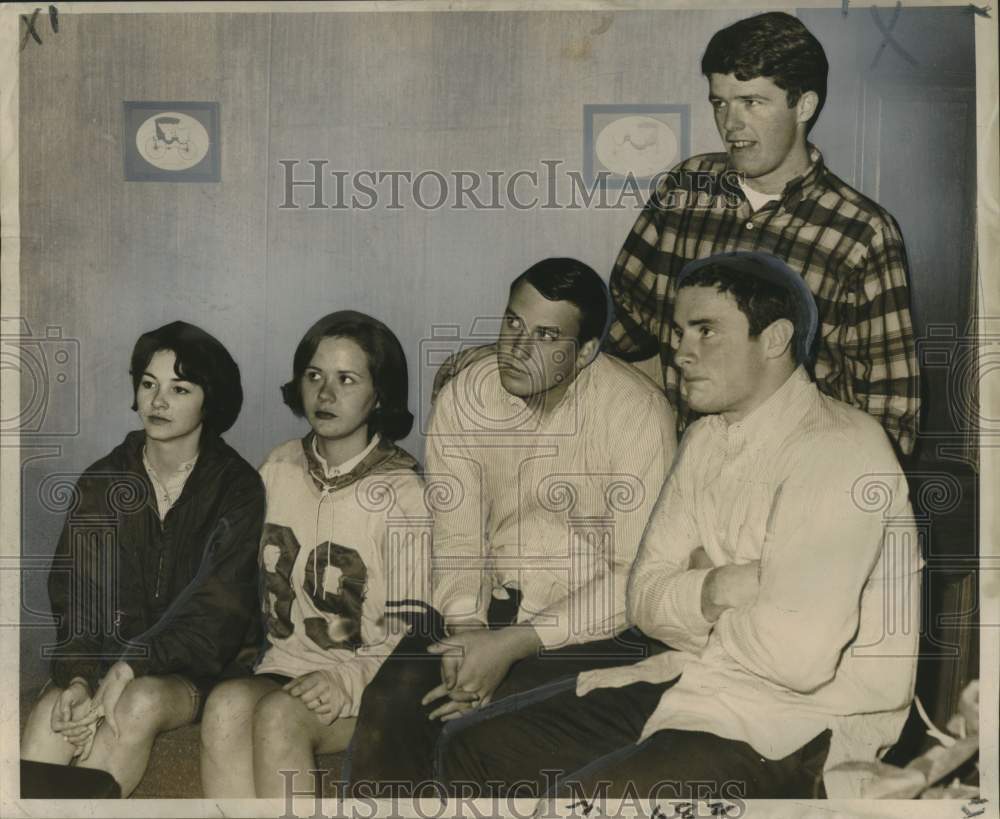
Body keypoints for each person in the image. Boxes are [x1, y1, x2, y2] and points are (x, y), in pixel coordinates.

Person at [439, 251, 922, 801]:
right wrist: (719, 587)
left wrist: (692, 598)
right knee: (471, 747)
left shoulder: (840, 450)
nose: (681, 351)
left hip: (803, 727)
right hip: (700, 683)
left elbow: (798, 661)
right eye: (680, 331)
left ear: (775, 339)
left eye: (706, 331)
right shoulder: (706, 438)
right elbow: (644, 602)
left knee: (579, 803)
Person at [433, 12, 920, 460]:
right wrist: (520, 350)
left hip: (792, 481)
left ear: (804, 105)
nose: (732, 125)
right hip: (683, 467)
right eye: (720, 103)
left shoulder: (863, 233)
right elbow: (620, 320)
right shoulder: (686, 187)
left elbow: (892, 410)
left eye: (752, 102)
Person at [347, 258, 676, 795]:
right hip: (488, 603)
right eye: (513, 324)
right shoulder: (467, 395)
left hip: (598, 625)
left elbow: (634, 577)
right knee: (391, 701)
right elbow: (458, 539)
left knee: (484, 727)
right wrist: (469, 633)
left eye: (547, 336)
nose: (517, 349)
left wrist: (510, 647)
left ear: (586, 351)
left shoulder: (639, 414)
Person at [20, 321, 265, 797]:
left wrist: (131, 666)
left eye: (179, 388)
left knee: (136, 702)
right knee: (54, 716)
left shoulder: (237, 488)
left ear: (208, 400)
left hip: (200, 670)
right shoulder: (103, 481)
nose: (158, 401)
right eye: (148, 384)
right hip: (111, 658)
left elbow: (217, 615)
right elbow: (78, 597)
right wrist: (75, 677)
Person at [200, 310, 430, 798]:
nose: (325, 394)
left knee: (280, 716)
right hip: (283, 666)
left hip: (373, 682)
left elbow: (415, 631)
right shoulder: (277, 468)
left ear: (380, 394)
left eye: (346, 379)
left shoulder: (403, 493)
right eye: (314, 376)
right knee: (224, 704)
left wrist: (348, 680)